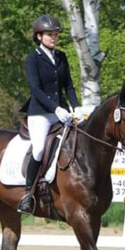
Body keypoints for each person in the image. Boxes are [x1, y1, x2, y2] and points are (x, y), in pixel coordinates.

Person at [17, 14, 84, 214]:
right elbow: (36, 90)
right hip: (40, 114)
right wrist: (55, 109)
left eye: (55, 34)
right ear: (39, 36)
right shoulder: (32, 59)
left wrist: (76, 107)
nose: (53, 38)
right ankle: (28, 194)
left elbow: (69, 86)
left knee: (76, 143)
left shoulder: (61, 57)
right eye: (49, 34)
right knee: (38, 150)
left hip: (62, 112)